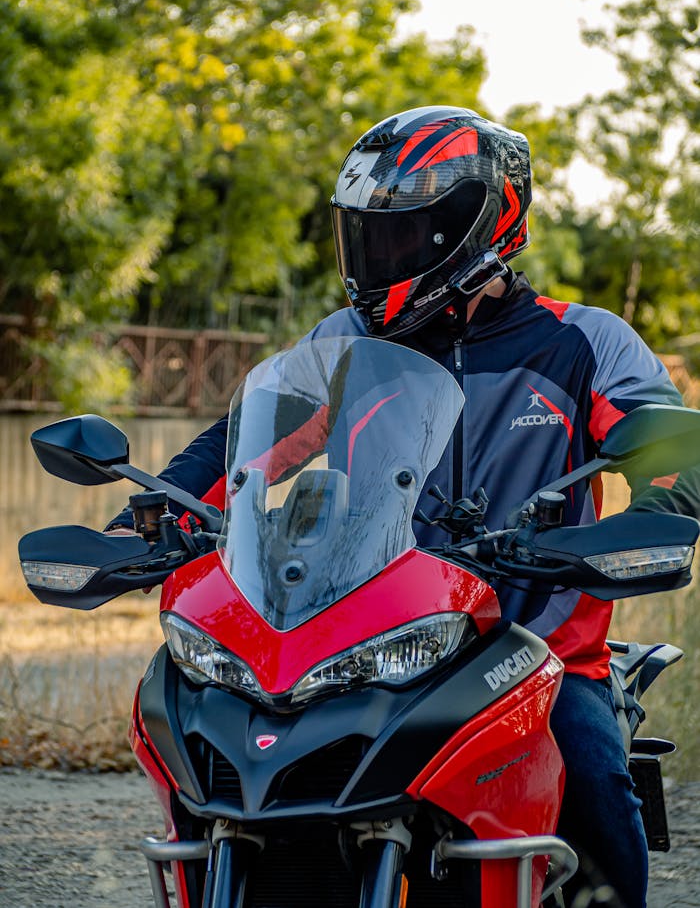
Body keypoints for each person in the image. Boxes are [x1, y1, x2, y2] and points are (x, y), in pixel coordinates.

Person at [108, 106, 700, 907]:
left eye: (402, 236)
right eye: (366, 236)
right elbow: (239, 451)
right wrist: (154, 519)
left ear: (476, 228)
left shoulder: (583, 341)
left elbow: (670, 447)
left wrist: (657, 509)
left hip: (535, 651)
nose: (375, 260)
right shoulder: (346, 346)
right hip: (368, 640)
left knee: (591, 776)